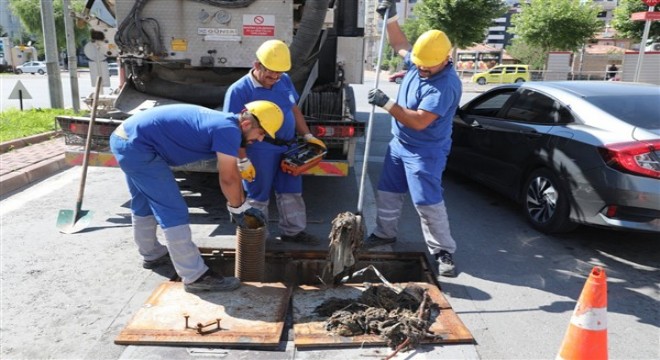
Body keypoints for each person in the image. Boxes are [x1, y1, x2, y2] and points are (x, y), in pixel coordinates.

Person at [109, 101, 284, 292]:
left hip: (127, 137)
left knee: (144, 201)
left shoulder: (228, 124)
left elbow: (233, 171)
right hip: (138, 146)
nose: (260, 139)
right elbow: (228, 178)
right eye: (261, 133)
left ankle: (152, 254)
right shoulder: (227, 130)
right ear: (247, 124)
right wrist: (238, 208)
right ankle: (195, 276)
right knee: (173, 210)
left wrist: (240, 197)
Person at [363, 0, 462, 278]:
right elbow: (399, 45)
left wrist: (387, 103)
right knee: (388, 192)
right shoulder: (422, 60)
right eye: (418, 64)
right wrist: (391, 18)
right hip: (399, 144)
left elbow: (419, 121)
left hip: (425, 150)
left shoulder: (445, 86)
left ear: (445, 59)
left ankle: (443, 250)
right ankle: (384, 233)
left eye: (427, 67)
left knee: (426, 201)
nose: (420, 69)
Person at [223, 39, 326, 246]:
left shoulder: (283, 80)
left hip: (288, 147)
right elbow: (232, 129)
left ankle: (294, 232)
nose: (274, 78)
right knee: (257, 194)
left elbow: (293, 109)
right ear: (257, 65)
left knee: (291, 190)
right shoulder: (239, 90)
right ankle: (257, 236)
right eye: (270, 73)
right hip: (259, 149)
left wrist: (307, 135)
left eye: (278, 73)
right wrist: (242, 159)